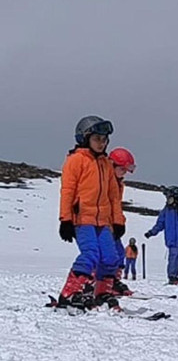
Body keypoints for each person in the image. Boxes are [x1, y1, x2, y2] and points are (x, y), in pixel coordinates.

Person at [56, 115, 125, 309]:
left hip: (103, 221)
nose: (101, 143)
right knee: (90, 254)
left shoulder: (106, 164)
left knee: (111, 258)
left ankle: (102, 293)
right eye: (97, 139)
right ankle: (70, 293)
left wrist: (118, 221)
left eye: (104, 140)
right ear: (85, 138)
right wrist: (66, 219)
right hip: (82, 219)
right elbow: (67, 191)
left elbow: (114, 196)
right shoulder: (76, 160)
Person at [108, 147, 137, 295]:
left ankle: (113, 281)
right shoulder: (105, 181)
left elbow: (117, 207)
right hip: (103, 225)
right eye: (122, 169)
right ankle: (96, 282)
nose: (124, 173)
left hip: (113, 226)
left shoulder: (119, 183)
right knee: (104, 255)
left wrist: (120, 222)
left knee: (119, 253)